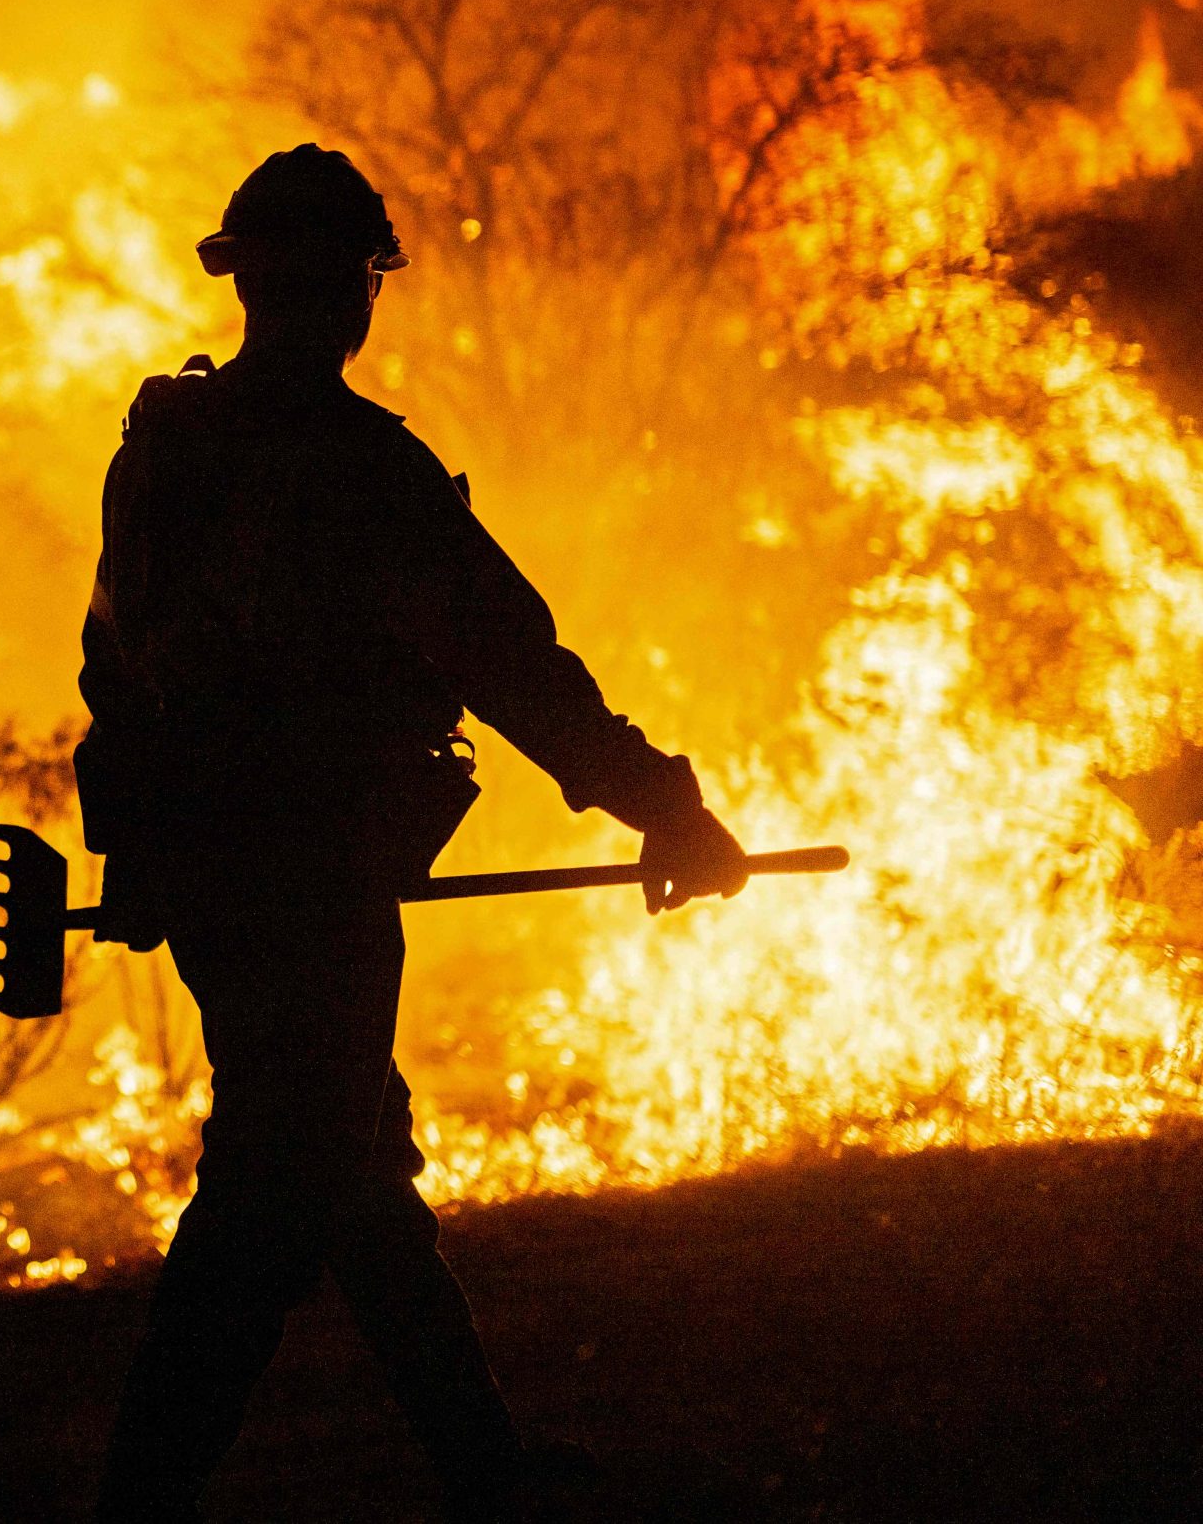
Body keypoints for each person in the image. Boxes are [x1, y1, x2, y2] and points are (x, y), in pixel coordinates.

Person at [77, 145, 751, 1522]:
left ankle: (480, 1469)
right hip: (314, 882)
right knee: (279, 1185)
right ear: (344, 292)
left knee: (346, 1165)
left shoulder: (168, 453)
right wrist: (667, 804)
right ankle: (151, 1501)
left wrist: (142, 855)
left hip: (219, 884)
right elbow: (514, 669)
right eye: (347, 274)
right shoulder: (357, 473)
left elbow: (111, 670)